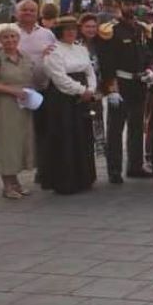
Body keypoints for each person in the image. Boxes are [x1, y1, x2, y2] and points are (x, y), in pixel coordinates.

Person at [97, 0, 150, 183]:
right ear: (119, 4)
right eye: (127, 3)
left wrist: (149, 70)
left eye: (134, 3)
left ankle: (135, 166)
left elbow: (146, 55)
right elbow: (106, 64)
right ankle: (114, 170)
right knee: (116, 130)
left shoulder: (141, 29)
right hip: (121, 84)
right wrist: (110, 89)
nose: (131, 7)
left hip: (139, 84)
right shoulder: (110, 30)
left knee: (137, 128)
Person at [41, 16, 99, 194]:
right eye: (67, 29)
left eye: (74, 29)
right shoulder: (53, 51)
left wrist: (91, 88)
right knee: (65, 136)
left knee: (82, 135)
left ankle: (84, 178)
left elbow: (90, 71)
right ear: (60, 32)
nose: (71, 32)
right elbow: (59, 78)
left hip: (82, 99)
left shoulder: (81, 49)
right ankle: (66, 181)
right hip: (62, 99)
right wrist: (82, 90)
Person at [0, 24, 37, 198]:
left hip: (23, 105)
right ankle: (7, 186)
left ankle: (15, 182)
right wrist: (13, 91)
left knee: (19, 142)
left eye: (13, 37)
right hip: (4, 105)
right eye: (5, 37)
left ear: (18, 38)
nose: (10, 40)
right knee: (6, 144)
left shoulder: (25, 56)